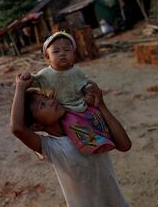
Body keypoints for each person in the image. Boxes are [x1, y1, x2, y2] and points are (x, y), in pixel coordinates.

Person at [10, 73, 131, 206]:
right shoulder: (51, 147)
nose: (50, 101)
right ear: (37, 125)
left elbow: (124, 145)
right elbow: (17, 128)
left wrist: (101, 105)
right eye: (42, 105)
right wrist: (20, 87)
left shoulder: (86, 126)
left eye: (46, 97)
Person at [30, 31, 114, 154]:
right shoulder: (45, 75)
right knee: (75, 125)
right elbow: (34, 81)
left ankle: (105, 137)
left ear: (73, 53)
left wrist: (89, 90)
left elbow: (86, 83)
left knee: (96, 117)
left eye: (67, 50)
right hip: (66, 110)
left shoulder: (77, 71)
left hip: (83, 104)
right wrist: (25, 79)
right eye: (56, 51)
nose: (62, 54)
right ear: (47, 57)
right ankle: (93, 146)